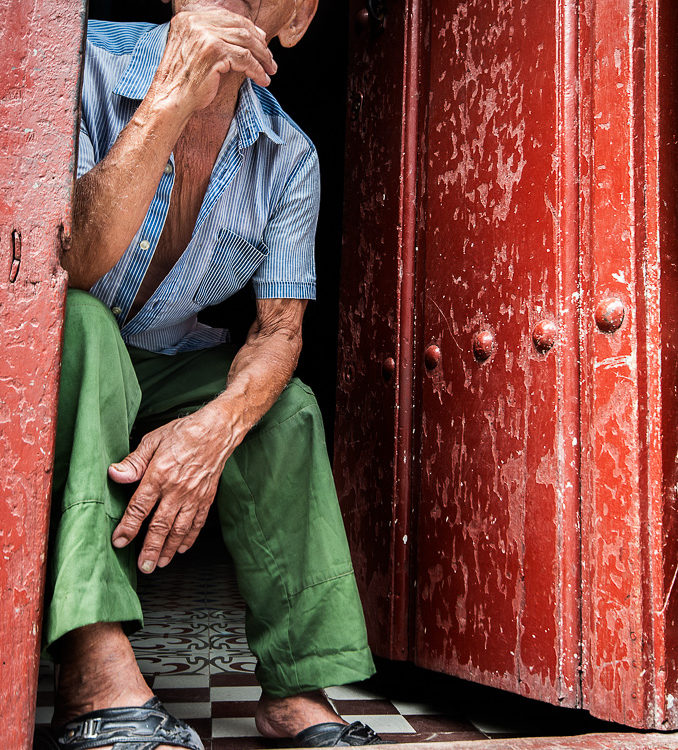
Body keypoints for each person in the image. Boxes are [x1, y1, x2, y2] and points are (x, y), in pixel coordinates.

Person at [35, 1, 382, 748]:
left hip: (161, 360)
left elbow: (278, 330)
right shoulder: (81, 61)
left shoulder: (289, 156)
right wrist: (172, 94)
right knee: (86, 326)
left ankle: (297, 687)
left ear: (296, 22)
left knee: (281, 407)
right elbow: (78, 264)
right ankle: (94, 671)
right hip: (52, 350)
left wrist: (213, 430)